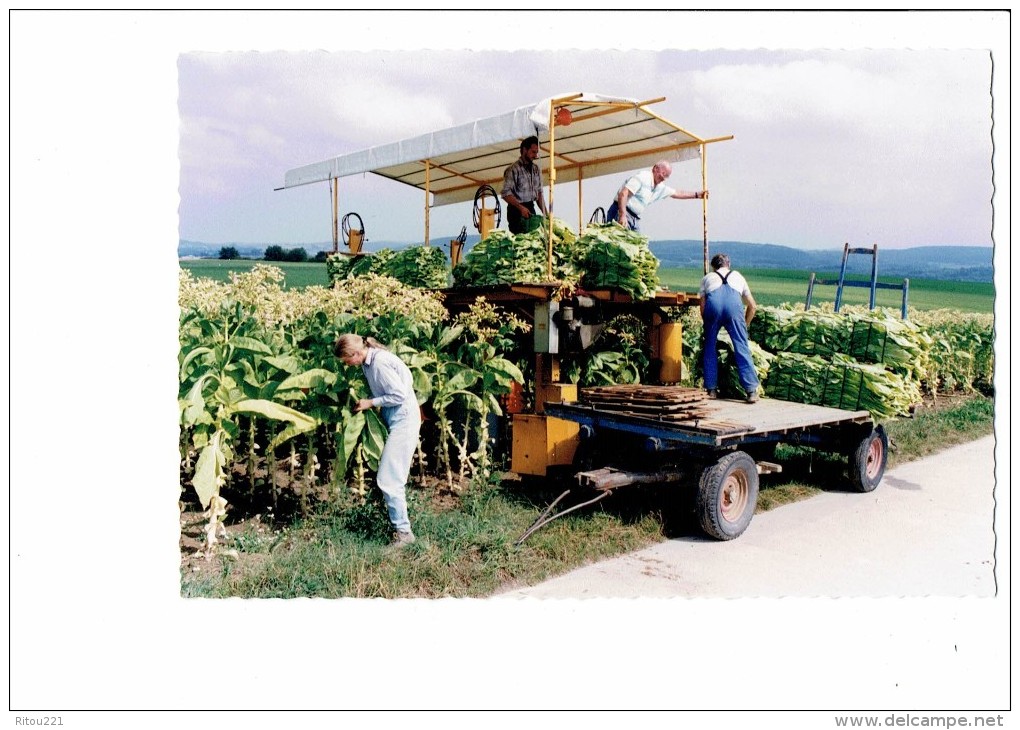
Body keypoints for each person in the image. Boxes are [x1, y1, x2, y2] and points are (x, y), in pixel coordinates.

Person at [334, 333, 422, 546]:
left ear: (356, 353)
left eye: (347, 360)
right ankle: (398, 528)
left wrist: (371, 402)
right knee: (391, 475)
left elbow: (400, 394)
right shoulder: (368, 362)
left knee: (389, 478)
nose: (347, 365)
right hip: (395, 417)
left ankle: (404, 534)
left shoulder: (379, 363)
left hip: (404, 419)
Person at [699, 253, 760, 403]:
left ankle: (711, 389)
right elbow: (752, 306)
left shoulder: (707, 278)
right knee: (741, 347)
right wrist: (744, 325)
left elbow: (702, 306)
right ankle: (751, 391)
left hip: (713, 308)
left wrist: (708, 323)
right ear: (728, 264)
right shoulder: (738, 276)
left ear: (714, 267)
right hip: (734, 308)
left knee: (709, 348)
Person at [606, 160, 707, 231]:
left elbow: (677, 193)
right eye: (663, 174)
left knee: (638, 249)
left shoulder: (659, 187)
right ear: (655, 169)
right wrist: (622, 215)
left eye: (666, 176)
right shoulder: (643, 177)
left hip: (634, 218)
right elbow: (624, 193)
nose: (663, 178)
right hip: (621, 211)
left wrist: (697, 195)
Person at [501, 135, 548, 234]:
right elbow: (506, 194)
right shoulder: (513, 170)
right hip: (516, 211)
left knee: (534, 238)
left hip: (530, 208)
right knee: (521, 242)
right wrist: (520, 208)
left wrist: (546, 215)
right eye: (533, 152)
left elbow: (539, 194)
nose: (535, 156)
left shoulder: (536, 170)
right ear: (524, 150)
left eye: (537, 152)